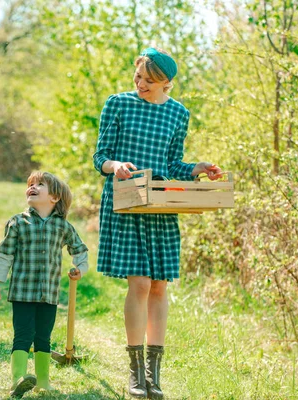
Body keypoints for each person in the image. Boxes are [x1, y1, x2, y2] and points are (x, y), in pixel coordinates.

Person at [93, 48, 223, 399]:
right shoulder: (117, 104)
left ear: (167, 83)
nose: (140, 84)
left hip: (162, 204)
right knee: (139, 284)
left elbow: (173, 164)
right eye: (138, 77)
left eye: (149, 81)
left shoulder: (179, 113)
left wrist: (198, 168)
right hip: (127, 199)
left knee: (160, 287)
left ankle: (154, 374)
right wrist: (115, 165)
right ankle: (135, 375)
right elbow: (99, 157)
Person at [0, 171, 89, 398]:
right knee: (23, 334)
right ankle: (18, 380)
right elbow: (5, 255)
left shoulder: (63, 227)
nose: (32, 187)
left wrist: (79, 270)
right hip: (22, 292)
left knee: (43, 336)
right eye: (30, 184)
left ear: (55, 198)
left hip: (49, 294)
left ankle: (43, 381)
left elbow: (80, 252)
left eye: (40, 184)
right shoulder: (17, 222)